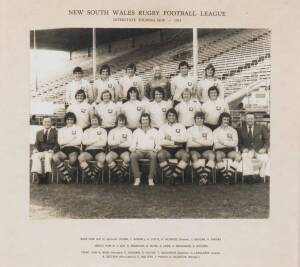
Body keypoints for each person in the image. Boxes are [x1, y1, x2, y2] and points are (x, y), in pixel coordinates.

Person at [156, 108, 189, 185]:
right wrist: (176, 141)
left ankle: (173, 176)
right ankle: (169, 175)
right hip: (166, 149)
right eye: (169, 115)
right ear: (167, 117)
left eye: (173, 115)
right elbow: (160, 141)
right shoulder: (163, 127)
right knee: (160, 155)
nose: (171, 117)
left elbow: (184, 139)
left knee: (186, 155)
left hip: (178, 149)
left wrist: (171, 139)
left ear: (176, 117)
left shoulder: (181, 126)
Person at [129, 113, 160, 186]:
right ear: (141, 121)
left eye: (146, 119)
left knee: (154, 155)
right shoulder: (136, 131)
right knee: (133, 155)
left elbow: (158, 144)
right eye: (143, 120)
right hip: (139, 151)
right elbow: (133, 144)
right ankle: (137, 178)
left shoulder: (154, 131)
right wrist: (132, 149)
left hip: (150, 151)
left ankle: (150, 178)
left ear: (149, 121)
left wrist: (156, 149)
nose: (145, 121)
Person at [238, 112, 270, 182]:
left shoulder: (261, 127)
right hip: (248, 150)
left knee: (264, 158)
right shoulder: (241, 129)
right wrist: (243, 149)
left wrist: (264, 148)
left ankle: (261, 176)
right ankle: (249, 176)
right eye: (248, 119)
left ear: (254, 119)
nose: (250, 120)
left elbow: (267, 140)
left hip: (259, 150)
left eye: (251, 118)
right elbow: (239, 143)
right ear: (245, 119)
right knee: (245, 156)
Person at [53, 112, 83, 183]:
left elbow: (78, 141)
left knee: (72, 160)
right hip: (64, 149)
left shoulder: (78, 128)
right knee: (55, 157)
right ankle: (67, 176)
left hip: (75, 148)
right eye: (68, 119)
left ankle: (66, 176)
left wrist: (66, 142)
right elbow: (60, 142)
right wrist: (72, 139)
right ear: (65, 120)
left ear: (74, 120)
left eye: (71, 119)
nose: (70, 121)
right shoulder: (61, 130)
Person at [187, 112, 215, 185]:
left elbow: (210, 143)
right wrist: (204, 141)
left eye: (201, 118)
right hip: (194, 149)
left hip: (205, 149)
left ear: (204, 120)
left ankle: (203, 177)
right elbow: (190, 143)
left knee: (212, 156)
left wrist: (196, 140)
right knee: (194, 156)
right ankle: (204, 177)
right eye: (198, 118)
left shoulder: (208, 129)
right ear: (195, 119)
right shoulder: (190, 130)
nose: (199, 120)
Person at [213, 112, 241, 184]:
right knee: (218, 156)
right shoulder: (216, 131)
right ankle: (226, 176)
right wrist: (229, 143)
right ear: (221, 120)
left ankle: (228, 176)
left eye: (227, 119)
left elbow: (235, 143)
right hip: (220, 150)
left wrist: (223, 142)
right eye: (224, 119)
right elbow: (216, 145)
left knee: (238, 156)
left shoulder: (233, 130)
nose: (226, 121)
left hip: (230, 150)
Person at [78, 114, 107, 183]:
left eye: (96, 120)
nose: (94, 122)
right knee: (80, 158)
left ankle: (92, 175)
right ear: (90, 121)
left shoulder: (103, 131)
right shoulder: (86, 131)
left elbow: (103, 143)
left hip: (100, 150)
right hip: (88, 151)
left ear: (98, 121)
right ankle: (92, 176)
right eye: (92, 120)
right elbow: (84, 142)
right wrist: (96, 140)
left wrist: (90, 142)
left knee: (102, 159)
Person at [31, 117, 59, 184]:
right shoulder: (39, 132)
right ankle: (39, 176)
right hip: (41, 152)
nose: (47, 123)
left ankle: (46, 177)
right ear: (42, 123)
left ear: (51, 123)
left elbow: (57, 144)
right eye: (45, 122)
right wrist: (35, 149)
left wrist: (53, 150)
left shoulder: (55, 132)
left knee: (47, 157)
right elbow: (36, 144)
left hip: (50, 151)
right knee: (34, 156)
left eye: (48, 121)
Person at [106, 114, 133, 182]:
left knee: (127, 159)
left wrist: (117, 144)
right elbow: (110, 142)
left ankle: (119, 174)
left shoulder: (128, 131)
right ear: (117, 121)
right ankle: (120, 174)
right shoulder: (112, 131)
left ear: (125, 121)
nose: (121, 122)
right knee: (108, 158)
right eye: (120, 121)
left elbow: (130, 143)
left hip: (124, 150)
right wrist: (120, 141)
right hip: (114, 149)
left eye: (123, 121)